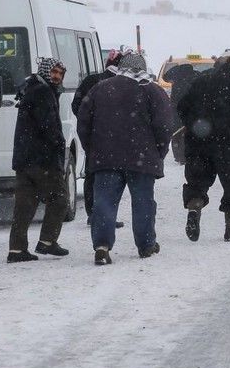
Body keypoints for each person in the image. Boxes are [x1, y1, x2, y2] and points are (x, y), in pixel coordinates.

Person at [78, 53, 174, 265]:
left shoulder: (101, 88)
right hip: (142, 158)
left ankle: (102, 245)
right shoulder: (153, 91)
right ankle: (146, 244)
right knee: (143, 203)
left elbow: (84, 121)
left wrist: (92, 148)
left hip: (106, 157)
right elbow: (164, 126)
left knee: (104, 202)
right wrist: (159, 152)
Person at [178, 55, 230, 242]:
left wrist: (194, 126)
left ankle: (194, 209)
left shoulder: (202, 81)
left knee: (197, 181)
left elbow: (182, 106)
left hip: (199, 142)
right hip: (229, 146)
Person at [8, 57, 70, 263]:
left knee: (24, 205)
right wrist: (59, 145)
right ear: (45, 72)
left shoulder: (31, 88)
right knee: (60, 199)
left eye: (60, 74)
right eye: (54, 72)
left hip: (25, 159)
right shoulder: (43, 92)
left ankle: (17, 249)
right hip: (42, 159)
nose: (57, 77)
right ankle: (47, 241)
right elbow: (48, 126)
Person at [71, 49, 125, 229]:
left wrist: (88, 127)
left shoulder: (90, 81)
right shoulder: (122, 84)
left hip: (94, 138)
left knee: (92, 175)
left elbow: (76, 106)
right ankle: (107, 214)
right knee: (112, 177)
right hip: (117, 138)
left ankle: (93, 213)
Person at [162, 63, 201, 166]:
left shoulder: (179, 81)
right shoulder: (197, 76)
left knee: (178, 133)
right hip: (193, 111)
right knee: (190, 133)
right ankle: (188, 154)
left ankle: (180, 156)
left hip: (178, 111)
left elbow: (165, 77)